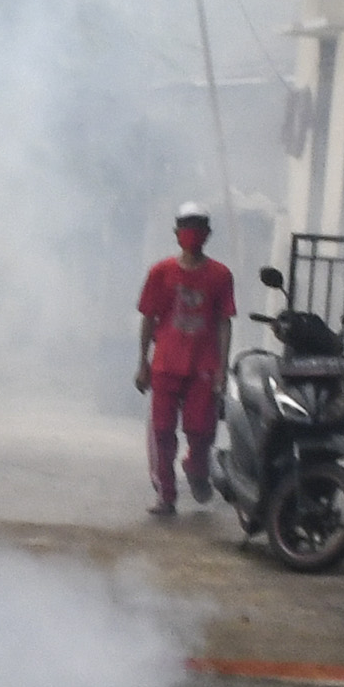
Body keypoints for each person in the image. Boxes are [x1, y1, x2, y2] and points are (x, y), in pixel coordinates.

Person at [135, 207, 237, 517]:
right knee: (163, 431)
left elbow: (224, 322)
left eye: (198, 226)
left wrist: (221, 367)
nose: (191, 233)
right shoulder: (160, 272)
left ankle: (196, 468)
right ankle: (166, 494)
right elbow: (148, 318)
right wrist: (143, 362)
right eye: (186, 226)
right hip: (166, 364)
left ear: (207, 233)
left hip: (203, 367)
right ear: (176, 232)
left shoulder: (220, 275)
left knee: (201, 430)